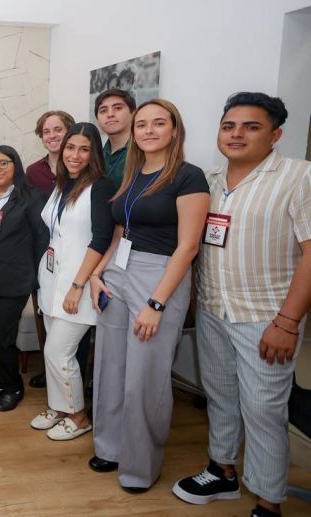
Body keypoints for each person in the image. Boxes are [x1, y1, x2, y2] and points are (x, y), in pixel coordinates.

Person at [172, 93, 310, 517]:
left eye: (251, 127)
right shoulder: (208, 180)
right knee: (220, 395)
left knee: (264, 409)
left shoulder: (298, 177)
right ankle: (223, 471)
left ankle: (268, 501)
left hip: (266, 317)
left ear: (275, 135)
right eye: (229, 126)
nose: (236, 134)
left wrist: (288, 323)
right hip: (213, 308)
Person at [88, 99, 210, 493]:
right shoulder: (132, 174)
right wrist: (96, 273)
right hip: (118, 271)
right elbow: (120, 231)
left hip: (159, 276)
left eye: (159, 123)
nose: (149, 131)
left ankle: (140, 467)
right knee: (109, 366)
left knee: (145, 376)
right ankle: (109, 447)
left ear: (174, 130)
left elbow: (188, 247)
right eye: (142, 124)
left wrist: (157, 303)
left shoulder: (188, 177)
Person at [30, 123, 115, 440]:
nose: (75, 155)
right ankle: (59, 407)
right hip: (52, 278)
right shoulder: (63, 183)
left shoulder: (100, 186)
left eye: (84, 149)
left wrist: (78, 286)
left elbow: (101, 239)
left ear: (94, 154)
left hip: (77, 284)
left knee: (58, 352)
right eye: (70, 147)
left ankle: (79, 417)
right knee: (52, 351)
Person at [0, 145, 49, 412]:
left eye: (3, 163)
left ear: (15, 164)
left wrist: (36, 276)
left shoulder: (31, 197)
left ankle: (13, 387)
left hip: (14, 278)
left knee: (2, 337)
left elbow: (41, 239)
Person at [25, 110, 76, 196]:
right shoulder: (33, 171)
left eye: (58, 130)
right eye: (46, 132)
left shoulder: (78, 168)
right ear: (42, 137)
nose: (52, 136)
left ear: (70, 133)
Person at [95, 89, 137, 188]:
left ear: (133, 113)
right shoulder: (98, 155)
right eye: (103, 110)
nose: (110, 114)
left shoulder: (144, 152)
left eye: (118, 108)